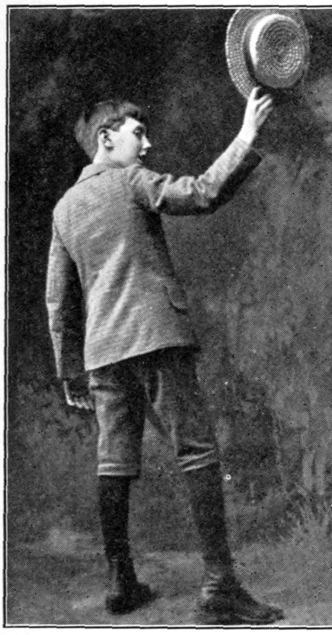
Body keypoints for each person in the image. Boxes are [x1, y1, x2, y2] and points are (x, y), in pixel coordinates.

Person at [45, 87, 283, 625]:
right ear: (106, 139)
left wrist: (68, 370)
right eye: (138, 134)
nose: (147, 144)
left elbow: (58, 301)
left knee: (114, 461)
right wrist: (246, 134)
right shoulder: (130, 180)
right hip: (155, 337)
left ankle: (120, 582)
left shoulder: (64, 209)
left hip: (102, 354)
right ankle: (220, 587)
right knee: (196, 452)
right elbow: (202, 193)